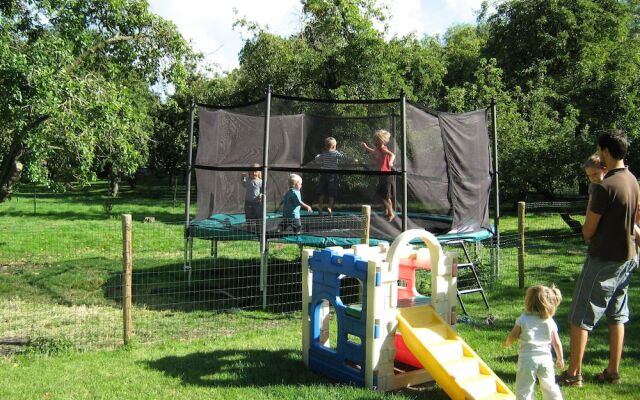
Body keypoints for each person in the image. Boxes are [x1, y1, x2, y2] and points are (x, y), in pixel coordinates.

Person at [558, 129, 639, 387]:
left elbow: (588, 231)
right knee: (617, 315)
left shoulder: (604, 188)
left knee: (580, 315)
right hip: (628, 258)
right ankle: (612, 372)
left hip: (605, 259)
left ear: (604, 150)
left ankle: (573, 375)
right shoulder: (632, 180)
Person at [504, 285, 564, 400]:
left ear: (528, 301)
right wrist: (560, 358)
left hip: (527, 359)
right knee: (549, 386)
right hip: (546, 359)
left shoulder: (523, 319)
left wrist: (507, 343)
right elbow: (556, 342)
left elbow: (513, 335)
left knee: (524, 388)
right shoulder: (549, 321)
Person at [314, 137, 357, 216]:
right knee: (332, 193)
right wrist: (353, 159)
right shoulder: (335, 153)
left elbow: (317, 159)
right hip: (332, 175)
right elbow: (344, 158)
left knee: (321, 192)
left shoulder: (324, 154)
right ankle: (329, 207)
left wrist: (317, 156)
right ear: (334, 146)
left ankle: (320, 208)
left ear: (326, 146)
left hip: (324, 174)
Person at [361, 129, 396, 222]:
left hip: (387, 175)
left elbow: (392, 155)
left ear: (382, 140)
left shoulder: (383, 148)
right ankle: (386, 211)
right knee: (382, 194)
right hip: (381, 175)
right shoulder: (377, 149)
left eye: (377, 140)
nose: (375, 142)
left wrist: (391, 163)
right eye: (375, 140)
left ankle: (391, 213)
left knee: (386, 196)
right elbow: (373, 152)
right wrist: (366, 147)